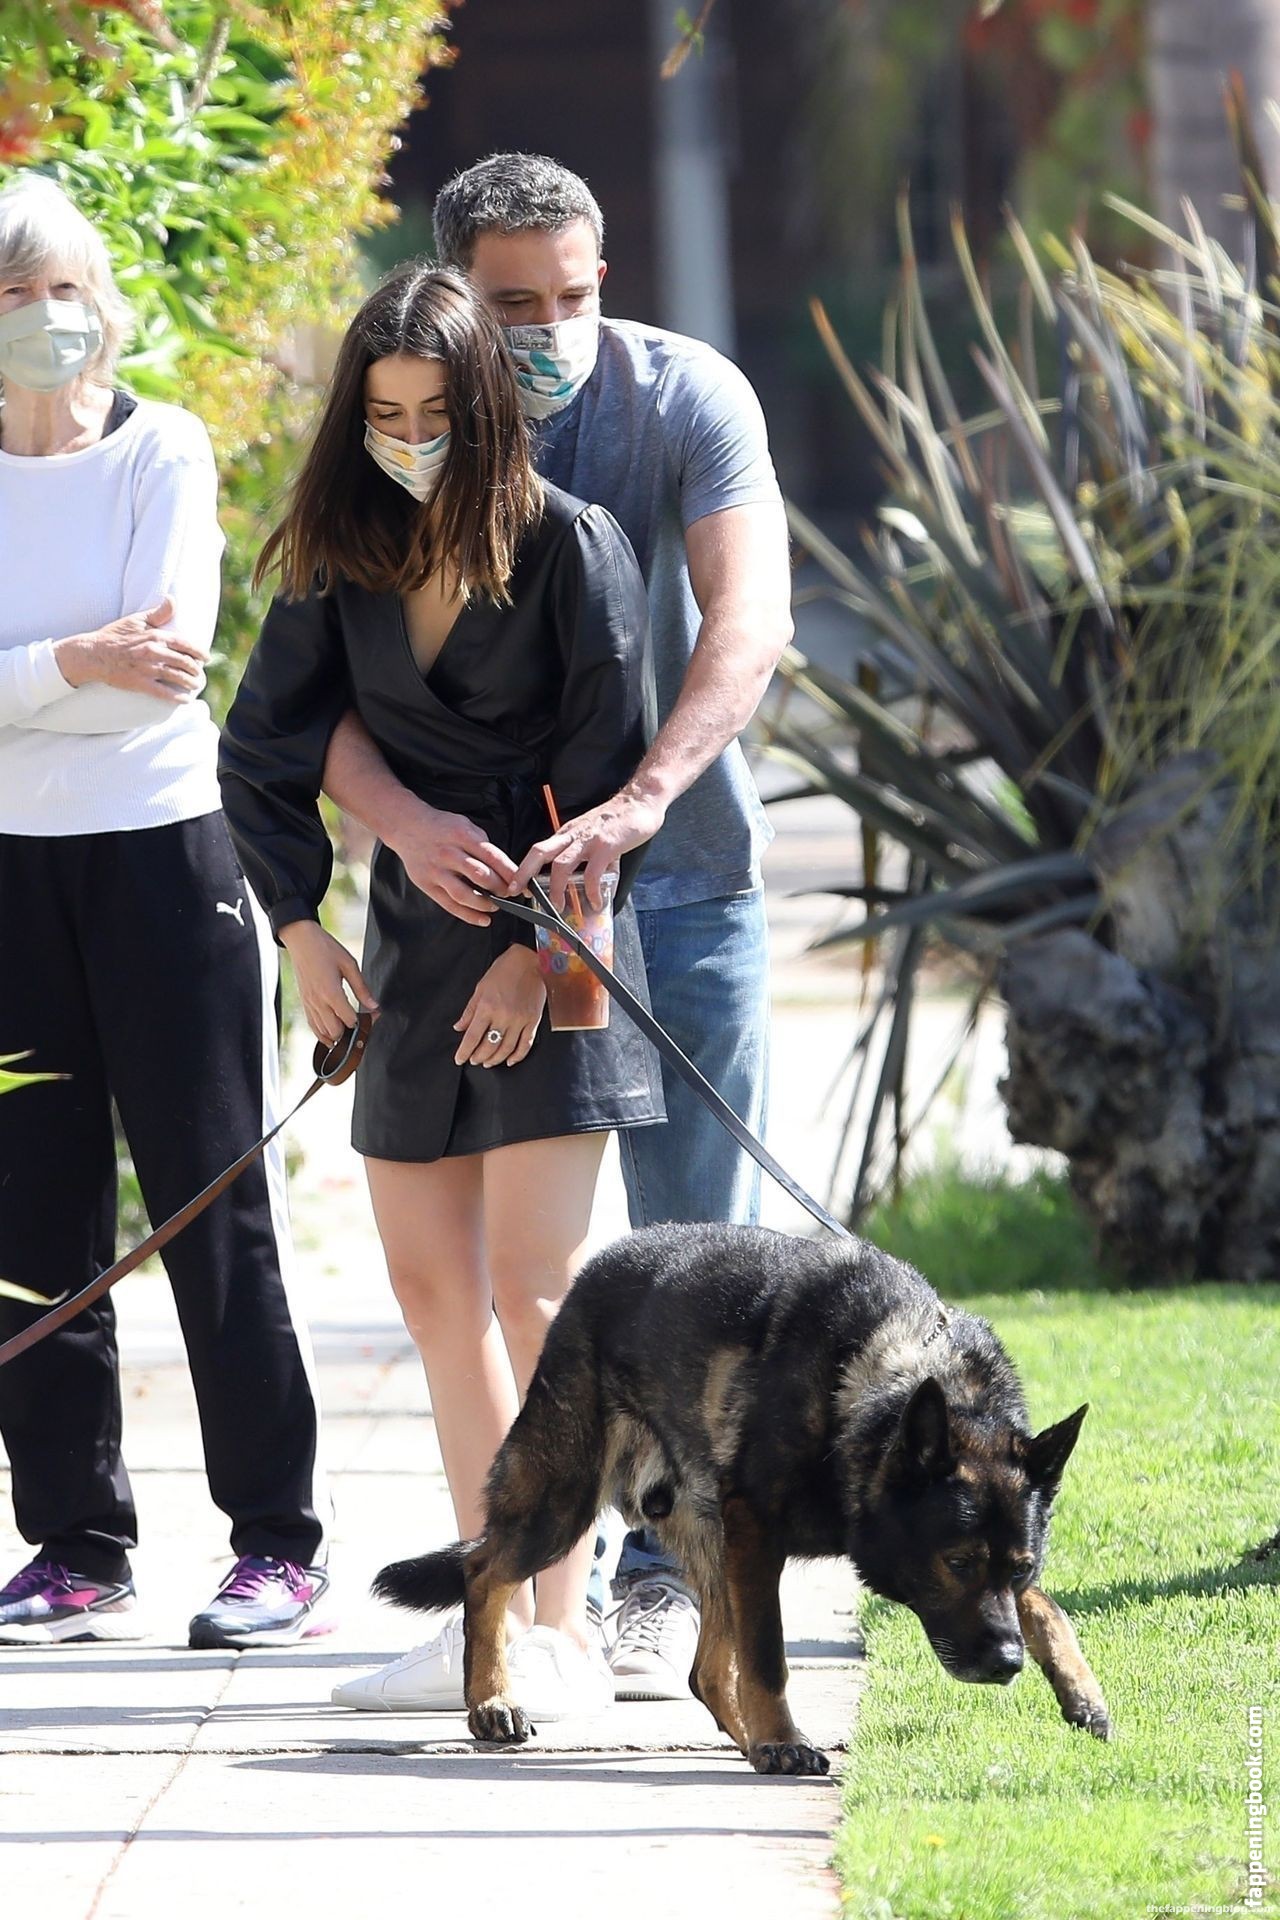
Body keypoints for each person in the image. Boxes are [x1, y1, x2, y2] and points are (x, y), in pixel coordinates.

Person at [321, 153, 794, 1704]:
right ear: (453, 293)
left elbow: (749, 618)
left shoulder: (683, 398)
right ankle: (551, 1603)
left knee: (696, 1264)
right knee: (527, 1279)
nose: (549, 330)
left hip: (684, 881)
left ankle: (675, 1580)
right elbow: (318, 682)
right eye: (513, 304)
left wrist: (644, 801)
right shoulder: (410, 414)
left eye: (575, 296)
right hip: (488, 920)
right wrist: (403, 839)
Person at [217, 263, 664, 1721]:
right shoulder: (341, 551)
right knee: (431, 1296)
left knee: (539, 1295)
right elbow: (264, 748)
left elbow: (613, 785)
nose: (409, 439)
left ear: (486, 409)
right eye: (384, 414)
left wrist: (540, 958)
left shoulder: (574, 545)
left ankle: (568, 1629)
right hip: (409, 956)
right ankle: (491, 1620)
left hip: (557, 955)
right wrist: (302, 931)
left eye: (435, 414)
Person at [0, 175, 329, 1649]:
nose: (42, 317)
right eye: (12, 294)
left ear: (106, 304)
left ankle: (278, 1543)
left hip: (162, 859)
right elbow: (114, 666)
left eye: (63, 287)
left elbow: (173, 662)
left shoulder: (163, 449)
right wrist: (80, 658)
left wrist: (30, 676)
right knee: (29, 1210)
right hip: (10, 871)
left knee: (212, 1199)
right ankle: (77, 1545)